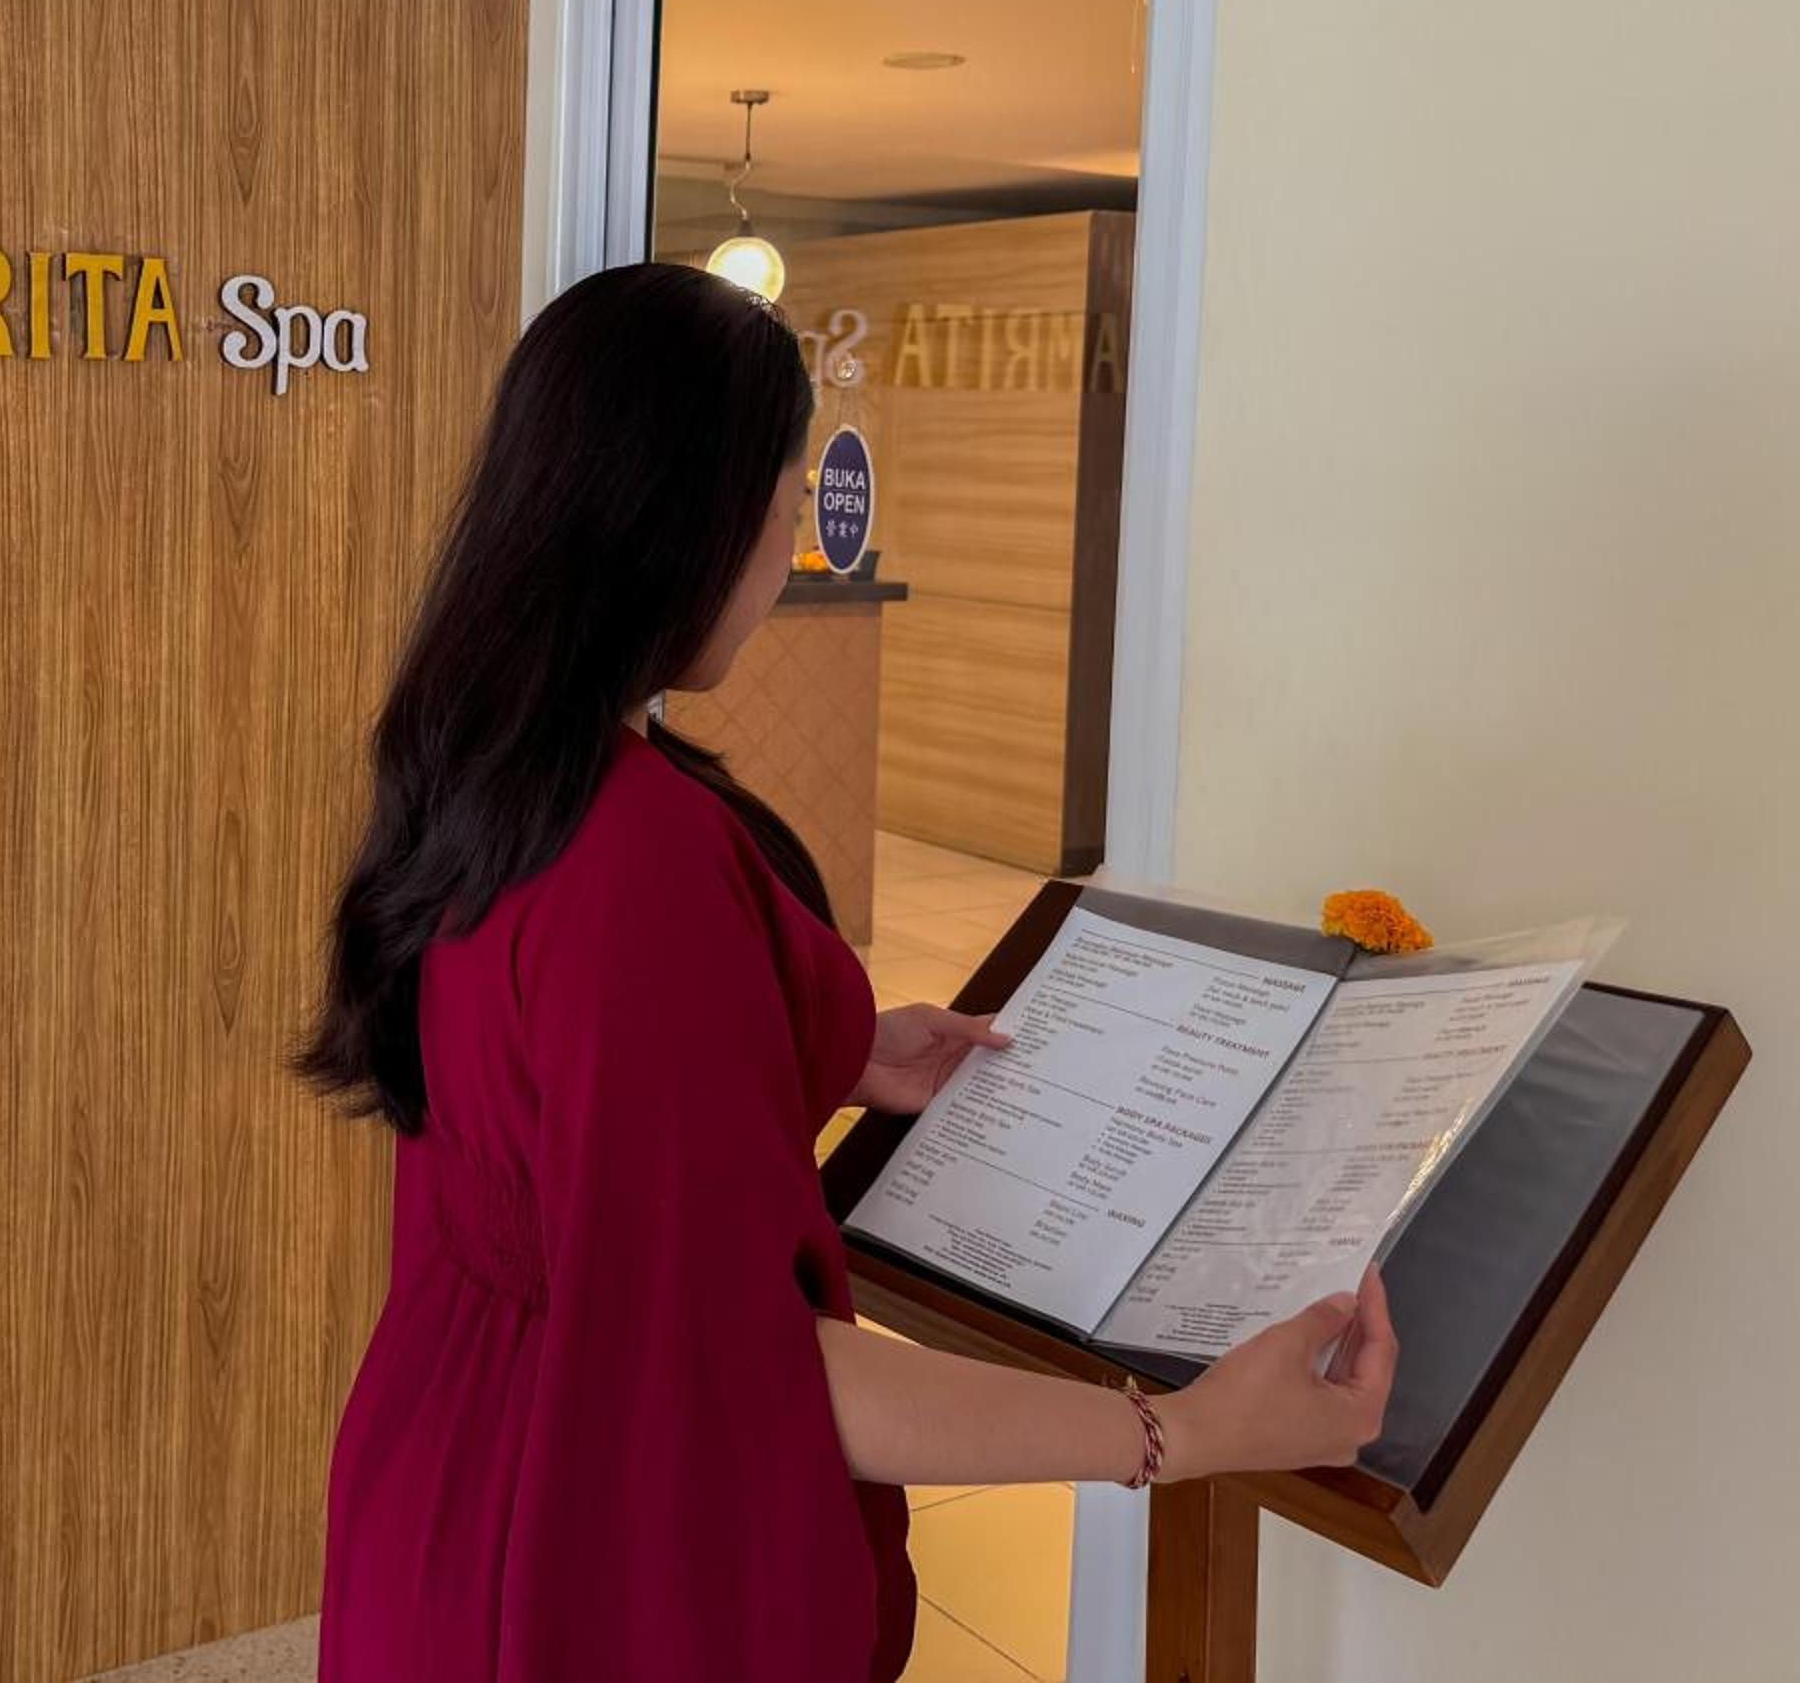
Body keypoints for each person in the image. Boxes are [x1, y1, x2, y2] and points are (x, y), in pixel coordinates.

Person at [299, 262, 1395, 1683]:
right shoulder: (637, 853)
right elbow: (746, 1372)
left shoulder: (489, 759)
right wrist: (1179, 1432)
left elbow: (555, 1074)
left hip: (448, 1468)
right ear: (699, 518)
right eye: (785, 487)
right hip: (584, 1531)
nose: (791, 533)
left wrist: (832, 1045)